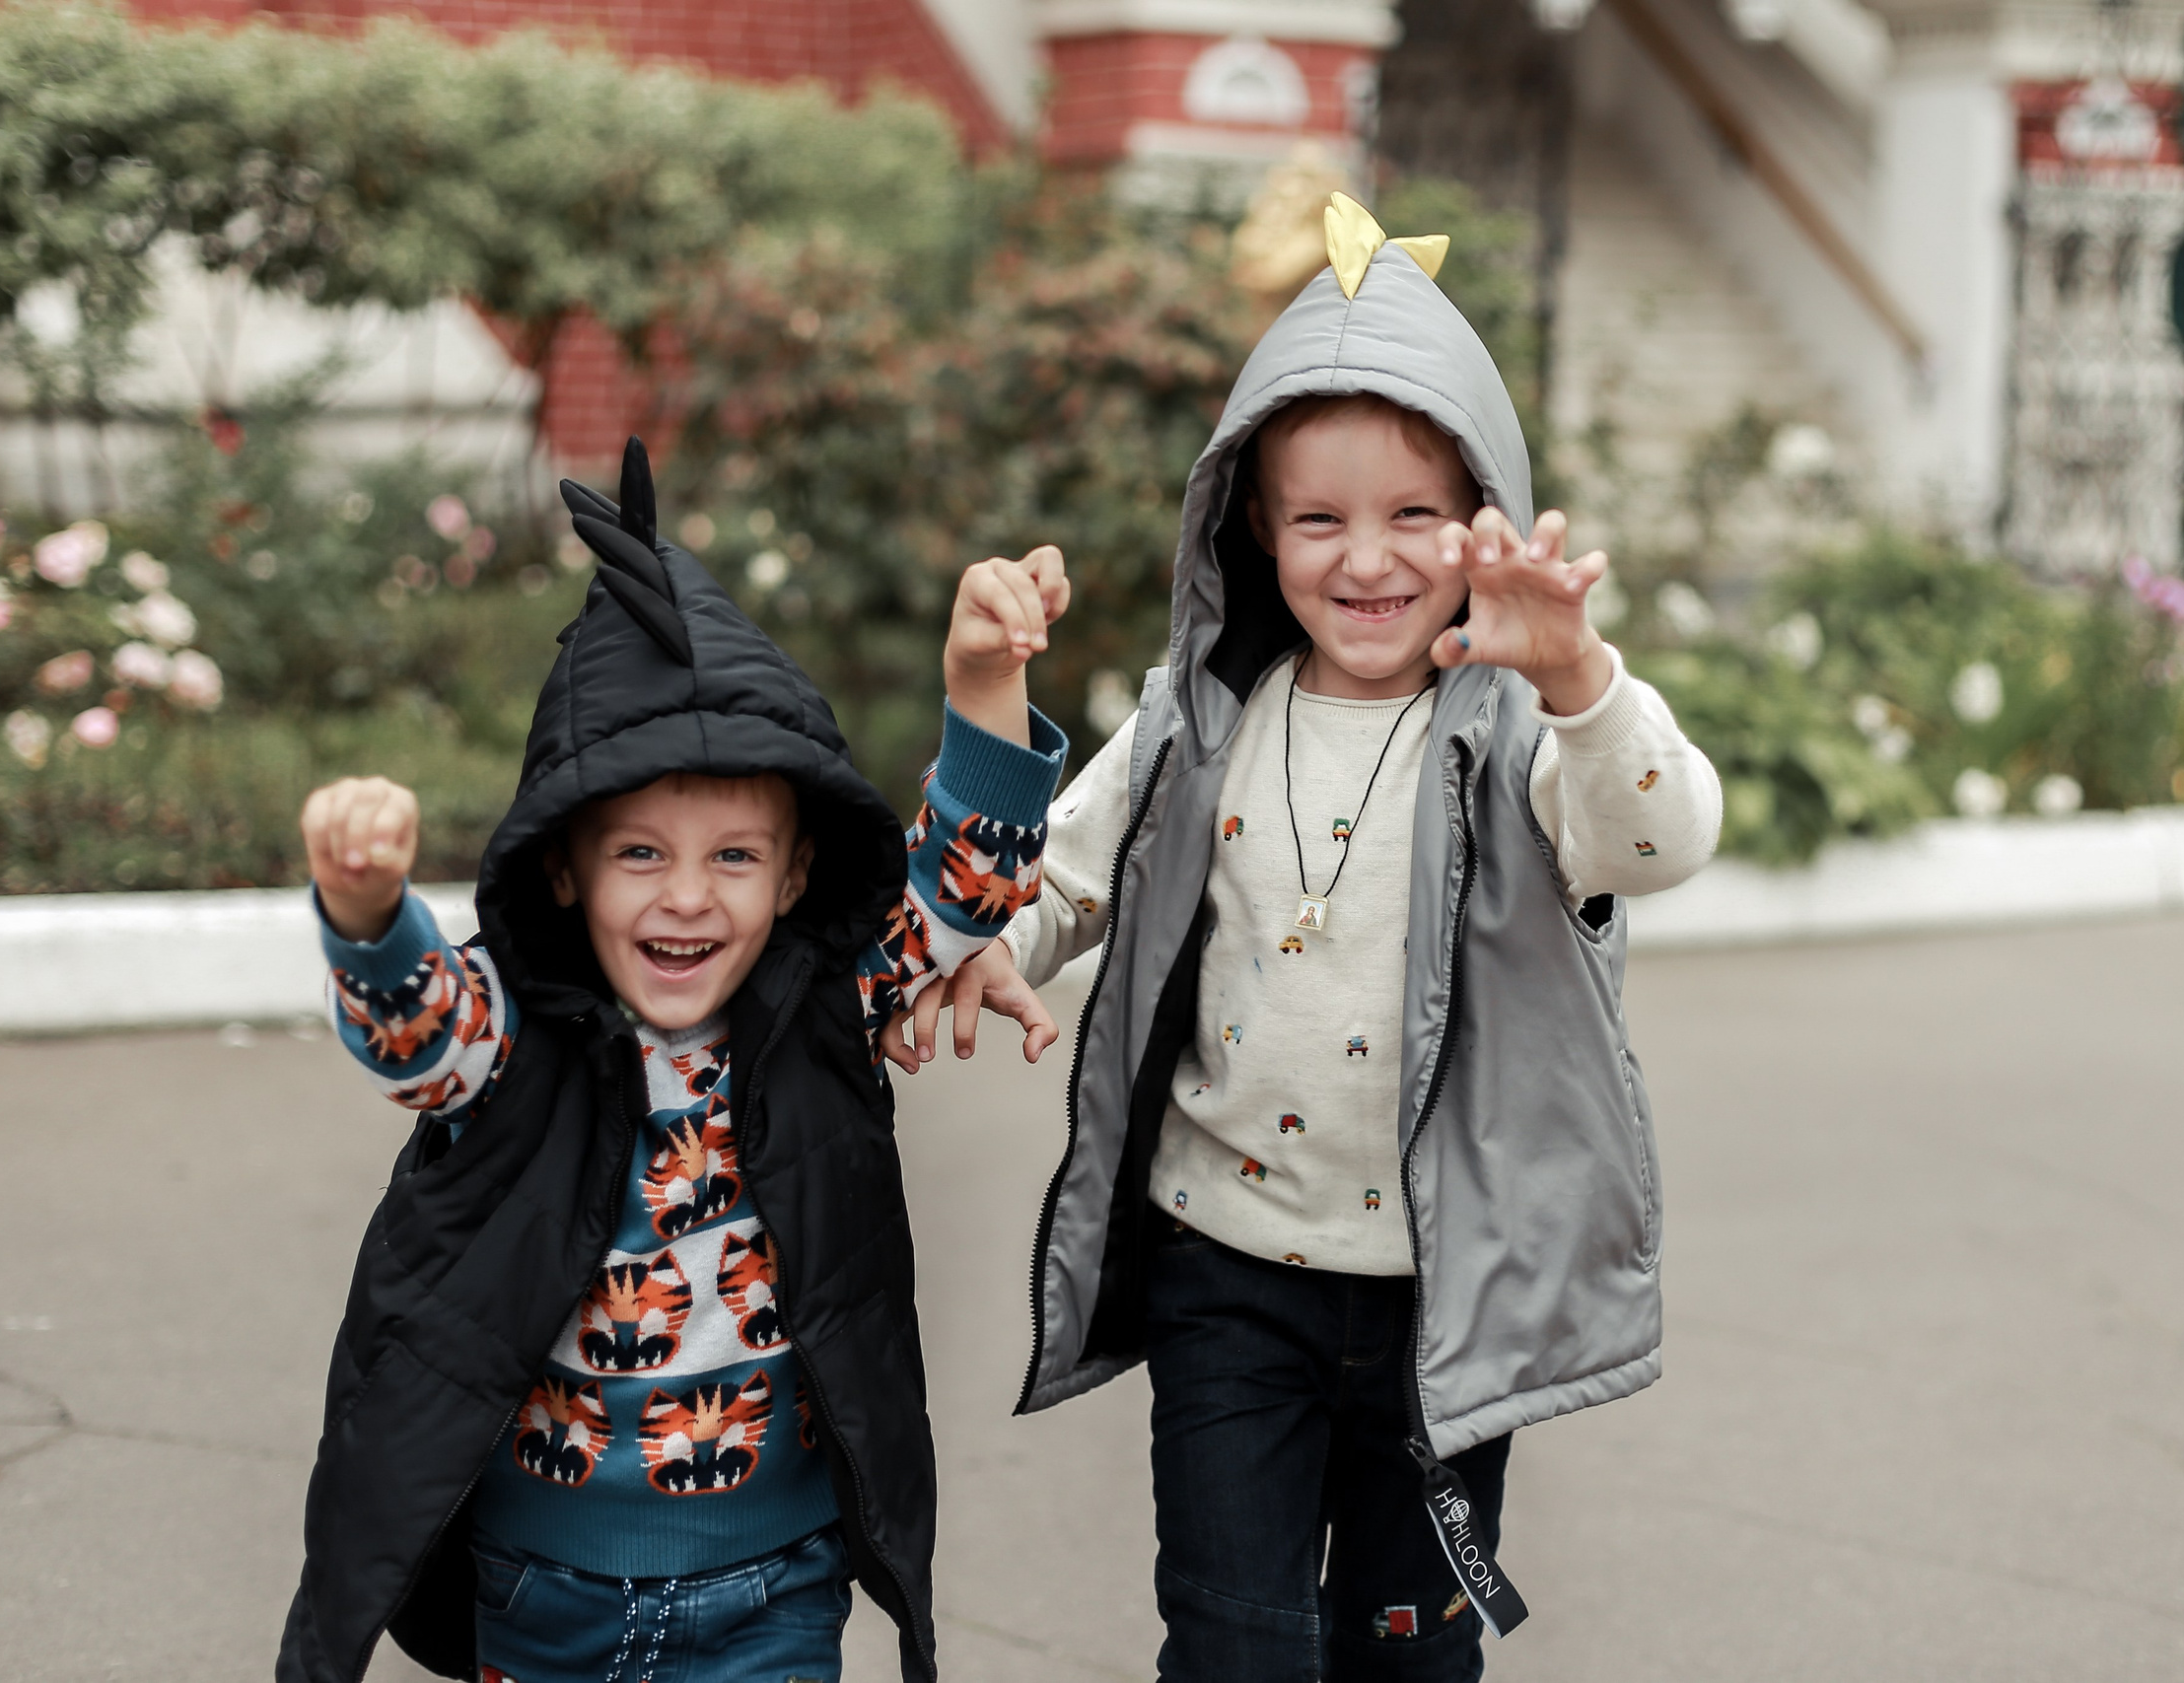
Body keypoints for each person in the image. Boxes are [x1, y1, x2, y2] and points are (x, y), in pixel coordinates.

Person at [886, 195, 1723, 1679]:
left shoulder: (1527, 734)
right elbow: (1059, 880)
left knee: (1409, 1649)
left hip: (1441, 1299)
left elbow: (1660, 839)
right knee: (1230, 1641)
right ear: (1252, 525)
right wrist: (1003, 928)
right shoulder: (1197, 716)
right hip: (1229, 1275)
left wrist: (1585, 675)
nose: (1367, 559)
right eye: (1318, 517)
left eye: (1416, 515)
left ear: (1481, 521)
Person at [276, 438, 1068, 1683]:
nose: (687, 899)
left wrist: (979, 680)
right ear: (562, 865)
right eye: (639, 854)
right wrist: (370, 921)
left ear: (798, 871)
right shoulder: (516, 1026)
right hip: (541, 1590)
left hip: (772, 1588)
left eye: (734, 859)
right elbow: (418, 1040)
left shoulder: (819, 1000)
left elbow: (965, 887)